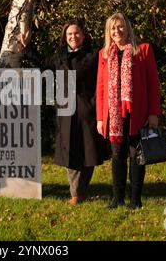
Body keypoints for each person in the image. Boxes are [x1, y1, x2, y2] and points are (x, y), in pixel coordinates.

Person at [23, 20, 108, 205]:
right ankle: (76, 193)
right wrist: (27, 46)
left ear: (83, 35)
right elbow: (42, 63)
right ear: (65, 37)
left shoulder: (93, 54)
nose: (73, 37)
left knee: (88, 151)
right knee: (69, 151)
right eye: (69, 34)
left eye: (76, 33)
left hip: (87, 109)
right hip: (65, 111)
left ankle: (80, 191)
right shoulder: (59, 56)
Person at [96, 12, 161, 209]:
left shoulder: (143, 50)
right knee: (117, 155)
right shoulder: (104, 54)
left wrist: (153, 113)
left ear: (127, 27)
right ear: (109, 32)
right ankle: (117, 198)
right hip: (113, 115)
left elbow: (153, 84)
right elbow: (100, 88)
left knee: (136, 155)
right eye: (113, 28)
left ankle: (135, 199)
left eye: (120, 26)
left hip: (137, 113)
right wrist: (100, 118)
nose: (117, 31)